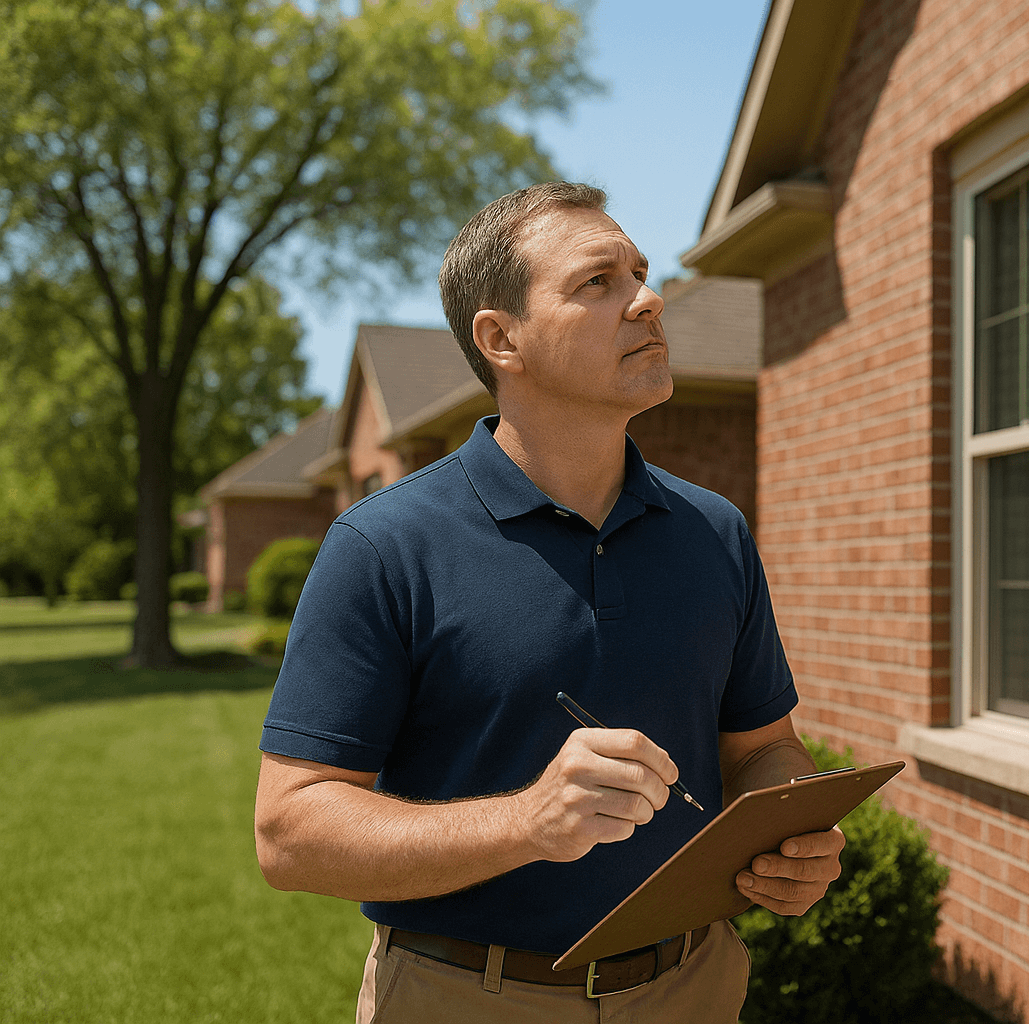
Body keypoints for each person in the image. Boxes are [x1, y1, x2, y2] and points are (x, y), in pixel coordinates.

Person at [252, 182, 844, 1024]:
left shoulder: (715, 532)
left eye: (639, 272)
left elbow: (764, 752)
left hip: (695, 988)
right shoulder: (384, 546)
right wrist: (528, 822)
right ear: (502, 339)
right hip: (464, 999)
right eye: (597, 283)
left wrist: (792, 829)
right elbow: (289, 833)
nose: (650, 298)